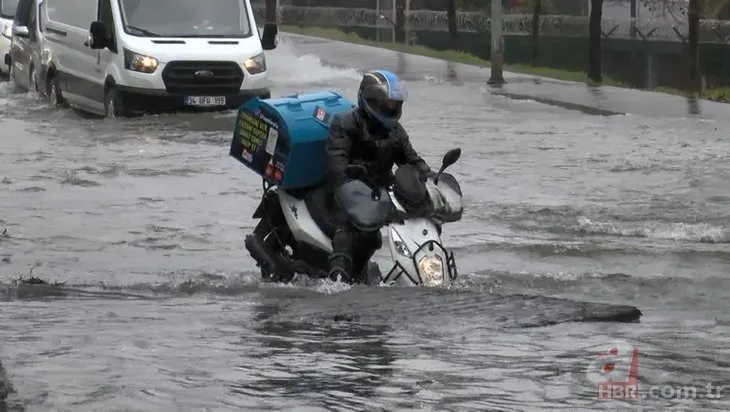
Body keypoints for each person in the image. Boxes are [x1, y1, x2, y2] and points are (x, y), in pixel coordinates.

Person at [324, 69, 435, 283]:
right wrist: (349, 179)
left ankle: (423, 270)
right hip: (348, 190)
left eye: (394, 104)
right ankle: (336, 279)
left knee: (421, 216)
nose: (391, 108)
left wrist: (430, 178)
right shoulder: (345, 124)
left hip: (382, 191)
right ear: (369, 101)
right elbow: (336, 167)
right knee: (347, 226)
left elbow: (411, 159)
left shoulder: (395, 132)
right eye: (385, 103)